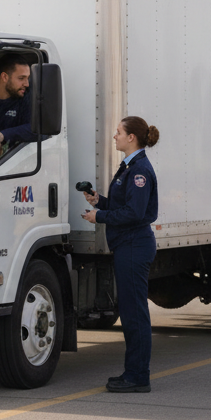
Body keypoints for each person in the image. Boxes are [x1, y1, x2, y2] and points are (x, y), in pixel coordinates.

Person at [81, 116, 160, 393]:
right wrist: (98, 201)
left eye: (118, 133)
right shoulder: (129, 167)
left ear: (132, 138)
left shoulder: (139, 171)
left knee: (134, 313)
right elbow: (123, 205)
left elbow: (135, 213)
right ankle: (134, 372)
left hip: (133, 246)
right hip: (127, 245)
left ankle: (138, 376)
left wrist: (99, 215)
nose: (115, 136)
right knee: (130, 311)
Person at [0, 54, 37, 163]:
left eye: (28, 78)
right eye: (21, 78)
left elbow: (37, 129)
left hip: (9, 163)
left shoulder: (26, 97)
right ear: (5, 77)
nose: (26, 84)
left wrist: (2, 135)